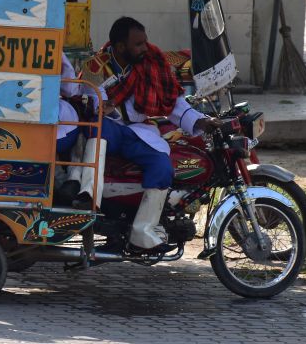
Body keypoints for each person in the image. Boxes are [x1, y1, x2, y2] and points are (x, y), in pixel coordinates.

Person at [78, 17, 219, 251]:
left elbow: (173, 103)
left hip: (139, 132)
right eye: (138, 44)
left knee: (163, 166)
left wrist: (202, 121)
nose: (145, 47)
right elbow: (95, 104)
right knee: (97, 126)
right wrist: (112, 100)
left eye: (145, 42)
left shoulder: (152, 64)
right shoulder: (95, 66)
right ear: (120, 47)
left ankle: (142, 233)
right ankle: (87, 196)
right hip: (109, 126)